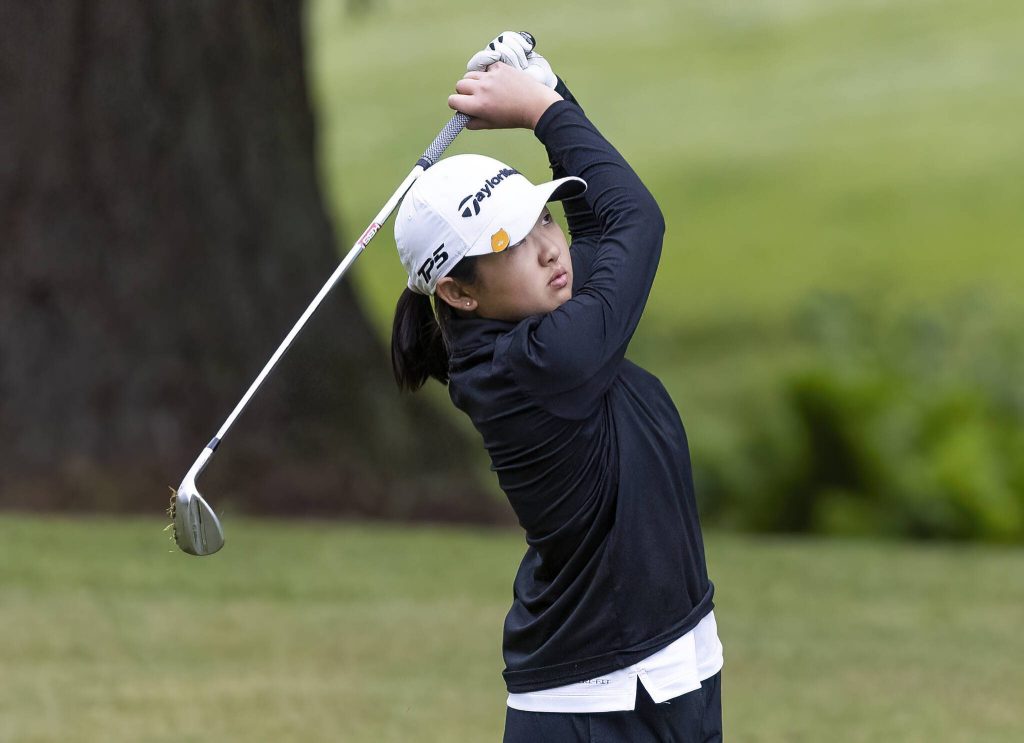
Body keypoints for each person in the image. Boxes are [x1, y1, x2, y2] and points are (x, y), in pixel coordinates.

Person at [391, 32, 723, 742]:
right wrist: (540, 110)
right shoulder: (535, 364)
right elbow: (637, 220)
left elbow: (601, 216)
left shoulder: (542, 317)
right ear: (457, 290)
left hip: (662, 664)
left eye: (544, 213)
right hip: (598, 701)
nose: (548, 245)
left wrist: (549, 87)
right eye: (512, 241)